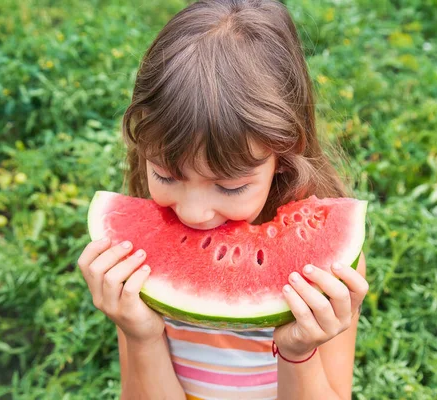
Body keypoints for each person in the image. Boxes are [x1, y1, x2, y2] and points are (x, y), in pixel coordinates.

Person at [77, 0, 369, 398]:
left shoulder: (326, 273)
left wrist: (297, 352)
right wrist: (141, 335)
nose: (195, 213)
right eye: (166, 175)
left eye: (229, 187)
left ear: (283, 155)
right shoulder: (135, 260)